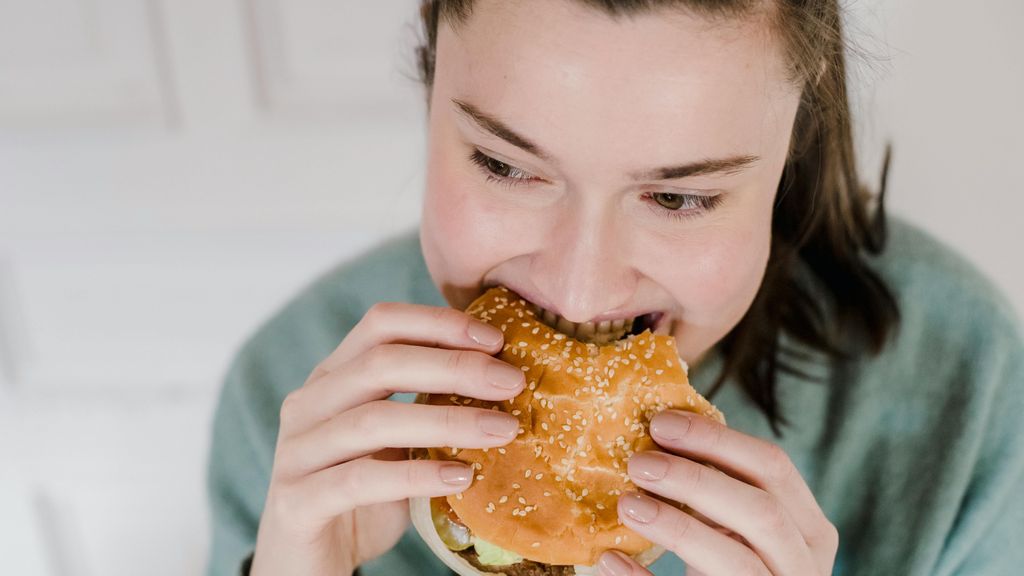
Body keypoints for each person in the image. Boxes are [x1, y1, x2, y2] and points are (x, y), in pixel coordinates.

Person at [204, 1, 1024, 575]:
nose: (579, 290)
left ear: (795, 140)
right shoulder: (292, 396)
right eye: (504, 165)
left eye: (679, 197)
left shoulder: (970, 387)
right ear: (430, 70)